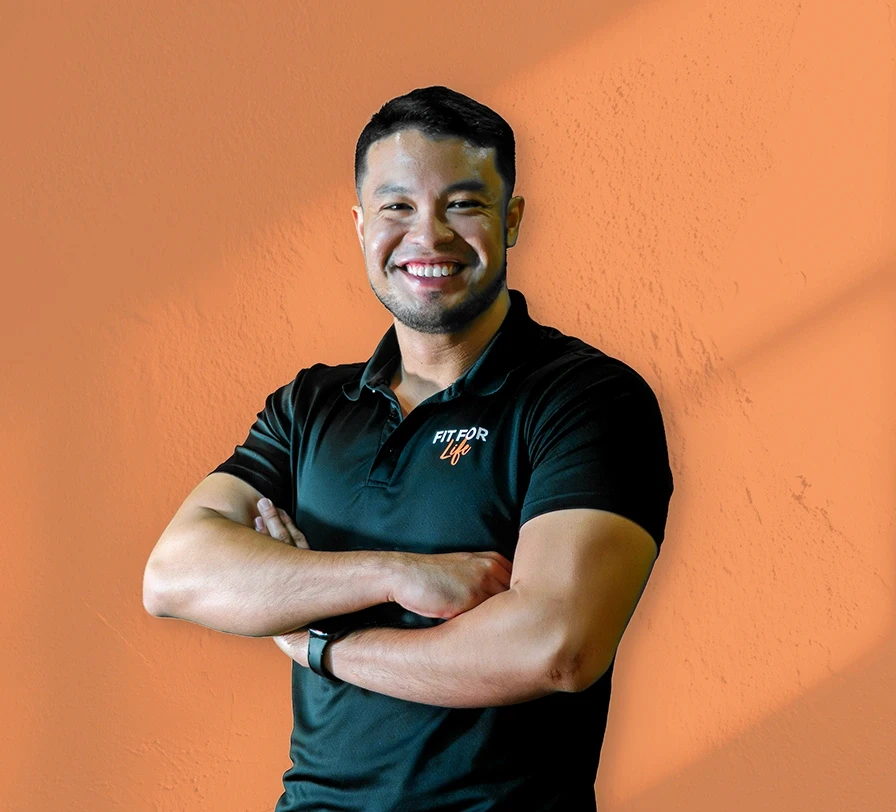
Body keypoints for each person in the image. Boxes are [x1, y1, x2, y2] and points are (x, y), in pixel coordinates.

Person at [143, 85, 674, 812]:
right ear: (361, 225)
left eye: (463, 204)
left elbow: (556, 647)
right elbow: (174, 574)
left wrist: (319, 644)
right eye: (397, 206)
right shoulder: (311, 405)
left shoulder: (587, 399)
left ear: (512, 219)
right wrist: (396, 575)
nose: (429, 236)